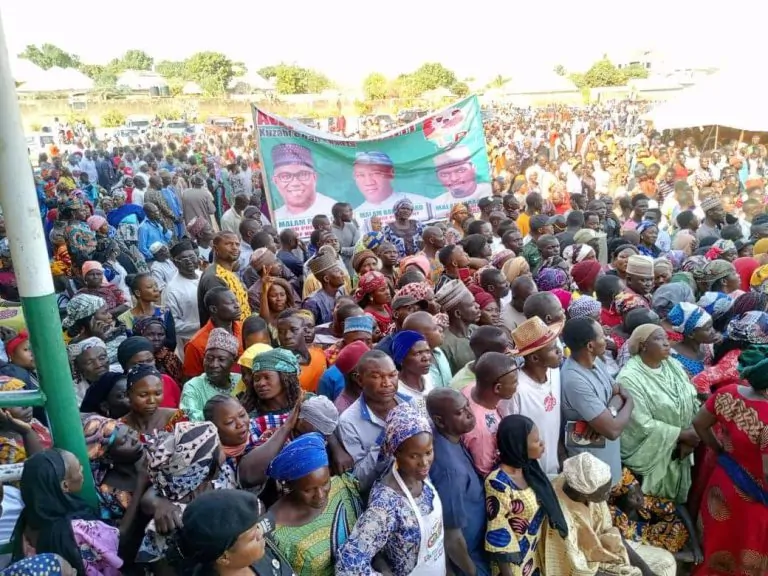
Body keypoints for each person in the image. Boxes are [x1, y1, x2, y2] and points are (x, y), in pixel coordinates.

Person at [336, 402, 445, 576]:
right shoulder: (386, 504)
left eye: (428, 452)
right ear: (395, 452)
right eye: (414, 456)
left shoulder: (421, 476)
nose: (424, 463)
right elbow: (348, 565)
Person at [691, 346, 768, 576]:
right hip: (754, 499)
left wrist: (719, 450)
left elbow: (699, 423)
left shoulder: (728, 393)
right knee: (745, 551)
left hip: (722, 482)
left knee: (716, 541)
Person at [544, 453, 676, 576]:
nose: (608, 496)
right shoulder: (560, 518)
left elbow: (611, 533)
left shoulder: (579, 480)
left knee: (666, 562)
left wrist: (648, 573)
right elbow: (578, 568)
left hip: (604, 548)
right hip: (584, 566)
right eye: (605, 492)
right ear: (585, 494)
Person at [617, 324, 700, 503]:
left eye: (666, 338)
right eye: (658, 339)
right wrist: (682, 435)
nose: (666, 343)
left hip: (683, 446)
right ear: (643, 346)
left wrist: (691, 436)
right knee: (654, 507)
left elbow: (691, 397)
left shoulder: (672, 365)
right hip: (656, 454)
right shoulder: (629, 377)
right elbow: (639, 422)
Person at [12, 450, 130, 575]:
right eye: (78, 469)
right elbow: (121, 537)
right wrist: (141, 483)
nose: (82, 469)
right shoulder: (74, 529)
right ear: (65, 486)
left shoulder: (28, 517)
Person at [264, 433, 363, 576]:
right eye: (308, 490)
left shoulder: (342, 487)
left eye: (325, 483)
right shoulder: (276, 532)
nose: (320, 495)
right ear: (290, 485)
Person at [484, 415, 568, 576]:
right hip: (512, 565)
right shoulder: (498, 483)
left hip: (532, 556)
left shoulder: (529, 470)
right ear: (519, 446)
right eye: (536, 441)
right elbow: (498, 531)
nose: (542, 444)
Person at [560, 317, 634, 486]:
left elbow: (617, 391)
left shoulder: (596, 361)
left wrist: (609, 412)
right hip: (591, 469)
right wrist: (630, 401)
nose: (606, 339)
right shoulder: (575, 380)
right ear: (590, 346)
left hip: (607, 458)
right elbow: (612, 430)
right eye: (601, 336)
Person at [425, 388, 491, 576]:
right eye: (460, 412)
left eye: (468, 405)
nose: (470, 414)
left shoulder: (451, 437)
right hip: (468, 558)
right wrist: (472, 571)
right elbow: (452, 536)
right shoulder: (450, 471)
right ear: (440, 421)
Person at [168, 489, 294, 576]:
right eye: (252, 537)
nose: (260, 532)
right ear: (224, 558)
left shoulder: (256, 552)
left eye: (256, 526)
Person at [336, 350, 407, 491]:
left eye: (392, 375)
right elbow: (358, 480)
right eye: (376, 377)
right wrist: (385, 442)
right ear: (360, 380)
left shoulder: (410, 404)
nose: (387, 383)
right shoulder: (348, 422)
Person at [507, 317, 564, 476]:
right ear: (534, 358)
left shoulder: (553, 372)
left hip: (553, 464)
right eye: (552, 349)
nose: (559, 351)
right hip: (531, 472)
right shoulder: (517, 390)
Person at [461, 351, 519, 476]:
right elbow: (486, 472)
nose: (517, 385)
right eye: (514, 382)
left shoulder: (469, 388)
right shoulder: (482, 432)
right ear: (497, 388)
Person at [180, 328, 240, 421]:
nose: (214, 365)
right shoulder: (193, 387)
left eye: (221, 359)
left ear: (233, 361)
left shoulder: (240, 381)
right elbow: (189, 417)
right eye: (209, 358)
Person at [271, 143, 337, 225]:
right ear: (275, 181)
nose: (295, 183)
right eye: (285, 176)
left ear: (315, 177)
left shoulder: (334, 211)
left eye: (303, 174)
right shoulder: (274, 218)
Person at [197, 231, 251, 325]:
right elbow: (222, 316)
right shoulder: (214, 277)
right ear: (215, 248)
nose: (235, 247)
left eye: (237, 244)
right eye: (228, 244)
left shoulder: (229, 272)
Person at [162, 240, 200, 360]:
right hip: (192, 341)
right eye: (183, 258)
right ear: (175, 263)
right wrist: (201, 325)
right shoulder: (172, 289)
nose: (188, 261)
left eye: (191, 256)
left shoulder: (204, 275)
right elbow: (174, 324)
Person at [436, 279, 481, 374]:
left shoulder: (477, 330)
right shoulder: (445, 346)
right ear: (458, 313)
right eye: (472, 305)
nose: (478, 306)